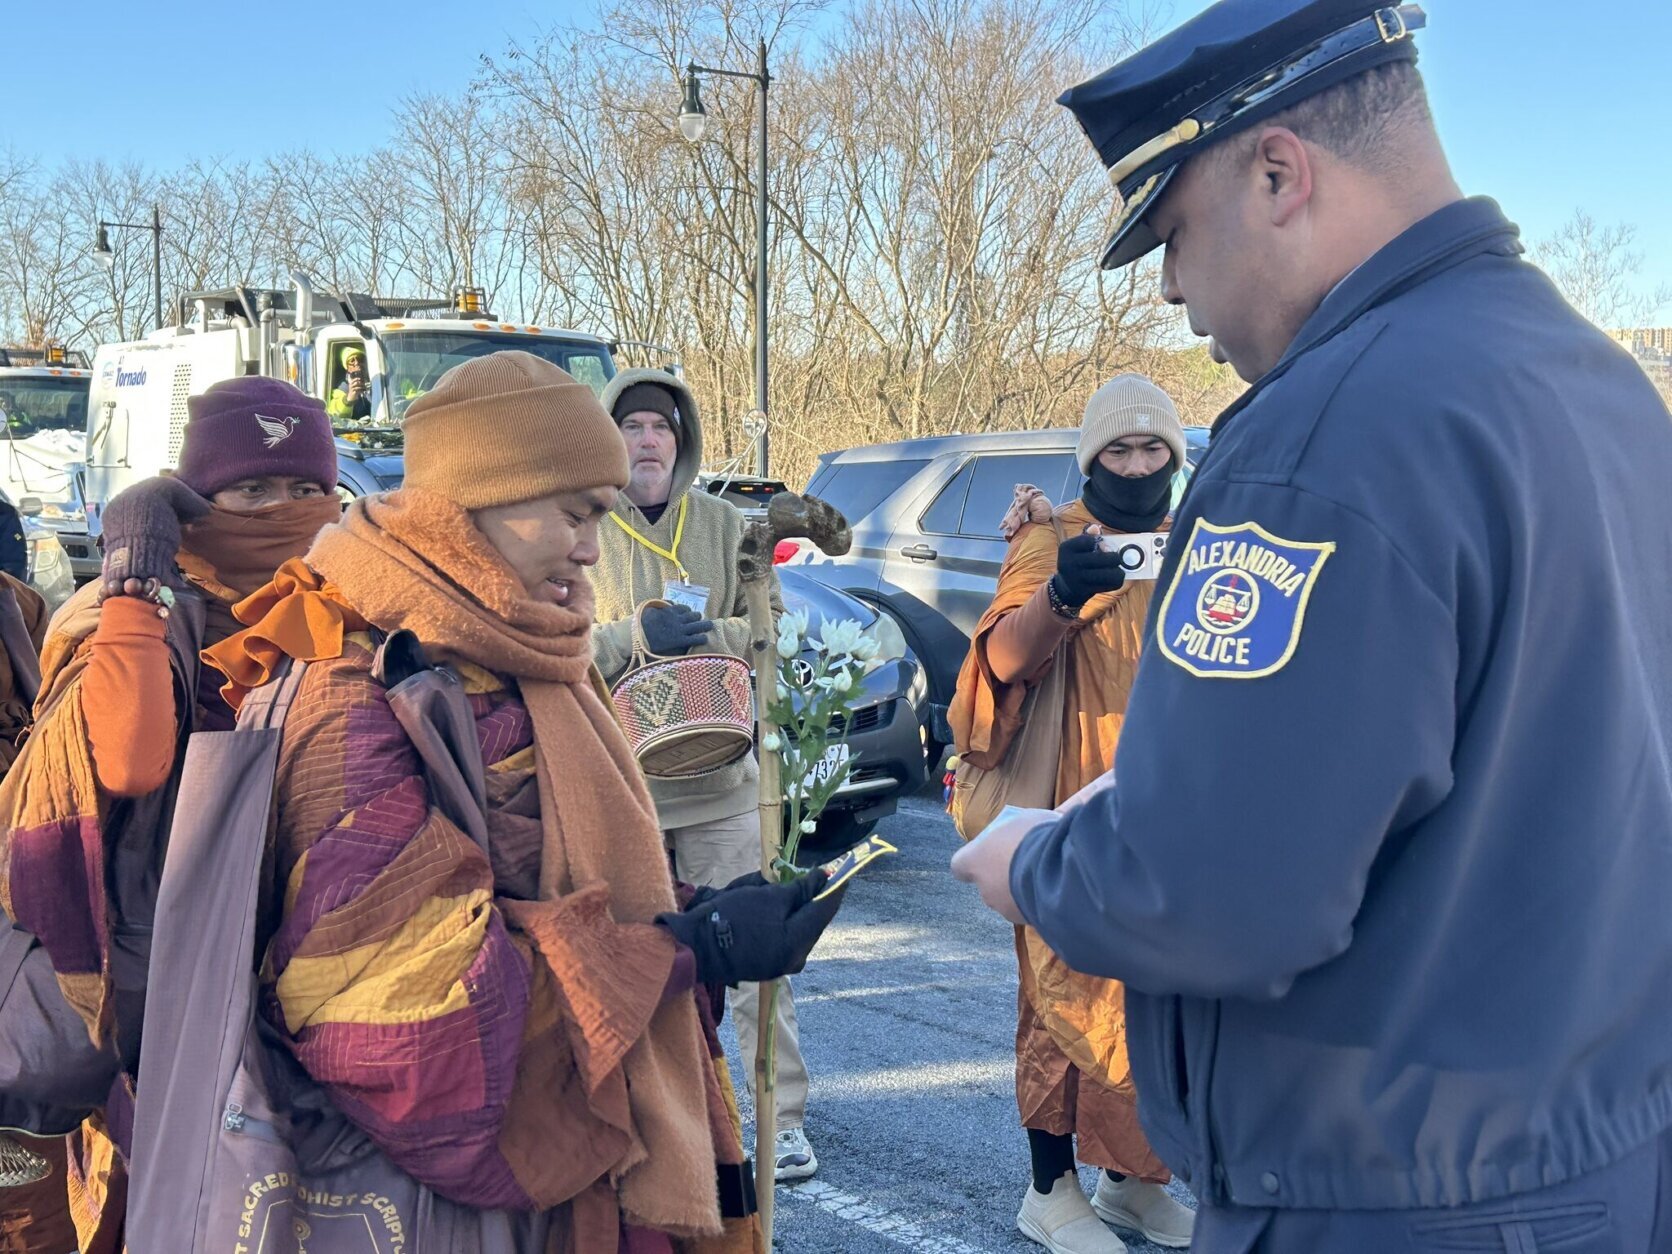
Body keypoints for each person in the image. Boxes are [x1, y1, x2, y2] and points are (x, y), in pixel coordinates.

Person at [953, 2, 1672, 1250]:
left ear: (1278, 172)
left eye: (1171, 233)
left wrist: (1034, 864)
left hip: (1392, 1189)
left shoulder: (1323, 431)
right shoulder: (1593, 380)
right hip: (1594, 1147)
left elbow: (1216, 889)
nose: (1175, 292)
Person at [203, 350, 844, 1249]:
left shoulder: (514, 651)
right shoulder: (357, 694)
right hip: (476, 1214)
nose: (593, 545)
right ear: (479, 503)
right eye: (576, 514)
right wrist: (683, 953)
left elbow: (553, 879)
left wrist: (697, 913)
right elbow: (401, 1031)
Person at [0, 376, 340, 1251]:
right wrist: (135, 570)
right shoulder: (136, 612)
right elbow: (129, 754)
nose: (284, 511)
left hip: (295, 975)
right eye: (252, 491)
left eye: (307, 488)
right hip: (148, 989)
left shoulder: (339, 610)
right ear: (200, 503)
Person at [950, 375, 1195, 1254]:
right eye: (1117, 452)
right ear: (1090, 459)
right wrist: (1060, 598)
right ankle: (1049, 1188)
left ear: (1175, 455)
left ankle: (1134, 1181)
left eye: (1152, 449)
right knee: (1060, 998)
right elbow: (997, 664)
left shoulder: (1194, 538)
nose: (1136, 465)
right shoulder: (1050, 537)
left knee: (1159, 998)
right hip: (1064, 803)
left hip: (1171, 804)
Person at [589, 369, 823, 1183]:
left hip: (725, 781)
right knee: (644, 959)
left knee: (760, 957)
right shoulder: (582, 524)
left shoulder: (726, 524)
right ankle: (650, 1116)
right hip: (624, 790)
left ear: (680, 439)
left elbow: (773, 626)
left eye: (660, 427)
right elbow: (564, 645)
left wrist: (707, 632)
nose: (647, 441)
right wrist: (635, 633)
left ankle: (781, 1120)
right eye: (630, 427)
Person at [326, 343, 371, 422]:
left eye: (360, 359)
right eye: (351, 361)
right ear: (347, 367)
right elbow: (333, 414)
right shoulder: (341, 389)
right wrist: (348, 400)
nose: (356, 363)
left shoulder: (379, 382)